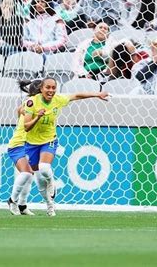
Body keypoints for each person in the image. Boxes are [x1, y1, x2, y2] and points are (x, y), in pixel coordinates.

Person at [23, 77, 109, 216]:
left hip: (49, 140)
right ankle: (50, 205)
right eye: (48, 87)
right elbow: (26, 127)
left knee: (44, 168)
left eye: (53, 88)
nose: (51, 90)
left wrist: (97, 94)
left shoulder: (58, 99)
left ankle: (52, 183)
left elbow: (77, 95)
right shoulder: (31, 102)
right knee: (39, 181)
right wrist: (37, 117)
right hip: (32, 143)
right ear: (41, 89)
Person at [6, 80, 44, 216]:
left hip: (28, 144)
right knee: (27, 173)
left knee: (30, 175)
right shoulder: (32, 104)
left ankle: (22, 206)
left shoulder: (29, 104)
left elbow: (19, 110)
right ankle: (12, 201)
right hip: (18, 144)